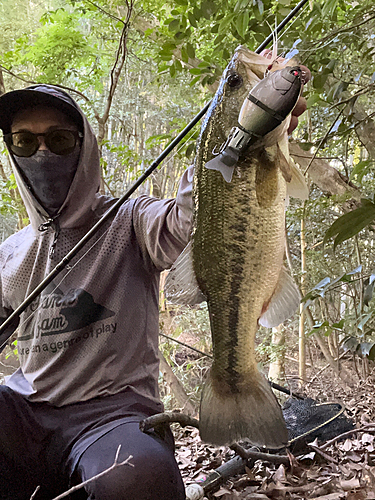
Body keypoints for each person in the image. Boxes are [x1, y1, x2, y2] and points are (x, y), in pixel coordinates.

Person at [0, 60, 310, 500]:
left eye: (60, 139)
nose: (42, 153)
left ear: (84, 147)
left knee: (137, 478)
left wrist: (247, 130)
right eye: (25, 141)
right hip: (23, 413)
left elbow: (192, 213)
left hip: (111, 416)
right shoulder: (8, 254)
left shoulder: (129, 220)